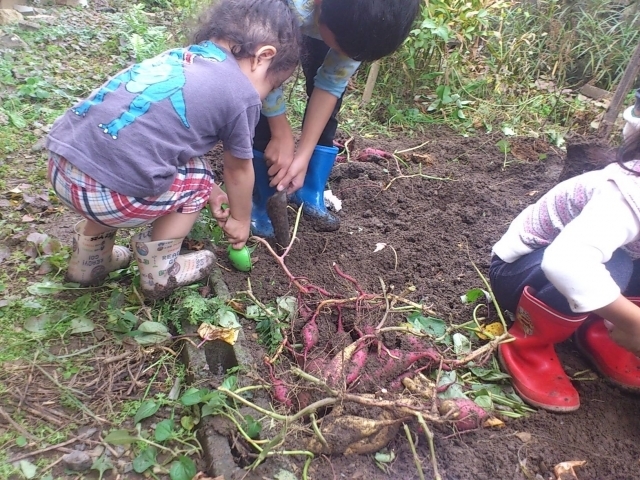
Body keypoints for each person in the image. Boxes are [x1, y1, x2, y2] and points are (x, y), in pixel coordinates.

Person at [45, 0, 300, 300]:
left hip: (63, 166)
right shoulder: (241, 94)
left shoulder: (184, 58)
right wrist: (241, 220)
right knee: (199, 176)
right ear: (263, 57)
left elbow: (151, 143)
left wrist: (213, 193)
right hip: (108, 196)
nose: (266, 95)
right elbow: (237, 170)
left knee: (117, 155)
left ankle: (89, 260)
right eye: (273, 86)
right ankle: (160, 273)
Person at [489, 97, 640, 412]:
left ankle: (603, 331)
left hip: (576, 263)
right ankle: (528, 344)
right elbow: (567, 262)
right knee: (616, 265)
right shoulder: (627, 193)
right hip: (522, 272)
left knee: (622, 264)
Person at [251, 0, 422, 237]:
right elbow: (261, 69)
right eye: (344, 49)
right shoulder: (283, 9)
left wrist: (303, 155)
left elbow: (331, 82)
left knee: (329, 95)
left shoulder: (365, 23)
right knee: (260, 109)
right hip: (267, 29)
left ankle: (309, 188)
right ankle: (260, 199)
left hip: (333, 22)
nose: (347, 56)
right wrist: (280, 131)